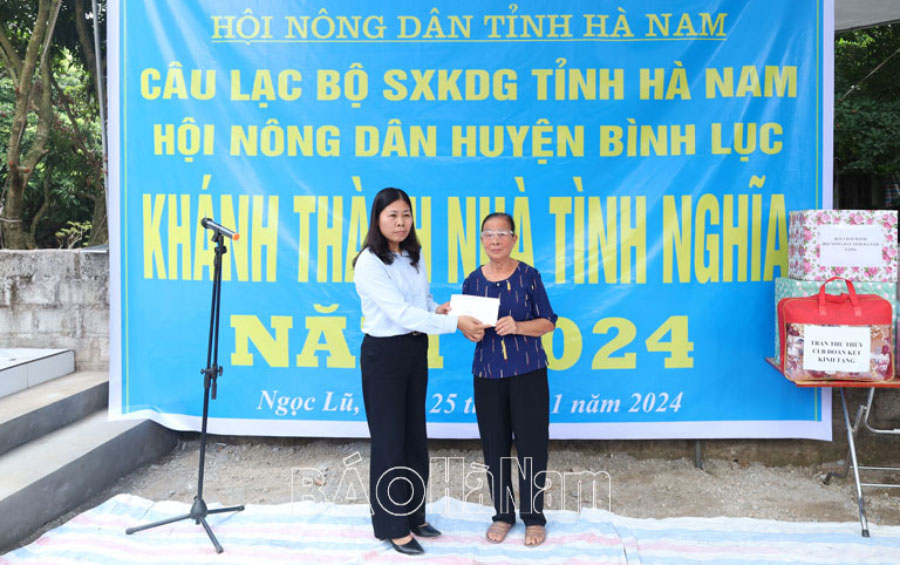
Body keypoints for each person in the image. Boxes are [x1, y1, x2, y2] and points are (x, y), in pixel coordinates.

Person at [353, 187, 487, 556]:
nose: (400, 222)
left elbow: (420, 301)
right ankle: (393, 526)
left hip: (415, 349)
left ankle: (415, 515)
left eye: (406, 215)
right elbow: (399, 313)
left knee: (414, 436)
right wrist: (455, 323)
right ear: (377, 219)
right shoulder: (369, 262)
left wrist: (438, 309)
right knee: (389, 440)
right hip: (384, 355)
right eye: (392, 215)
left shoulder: (414, 253)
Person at [461, 212, 557, 547]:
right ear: (481, 240)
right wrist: (471, 331)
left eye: (502, 233)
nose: (495, 240)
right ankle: (503, 514)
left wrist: (518, 326)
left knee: (531, 445)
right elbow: (469, 329)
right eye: (489, 234)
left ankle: (534, 517)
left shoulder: (529, 276)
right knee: (494, 446)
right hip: (487, 374)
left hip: (528, 372)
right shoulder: (473, 281)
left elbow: (548, 322)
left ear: (514, 239)